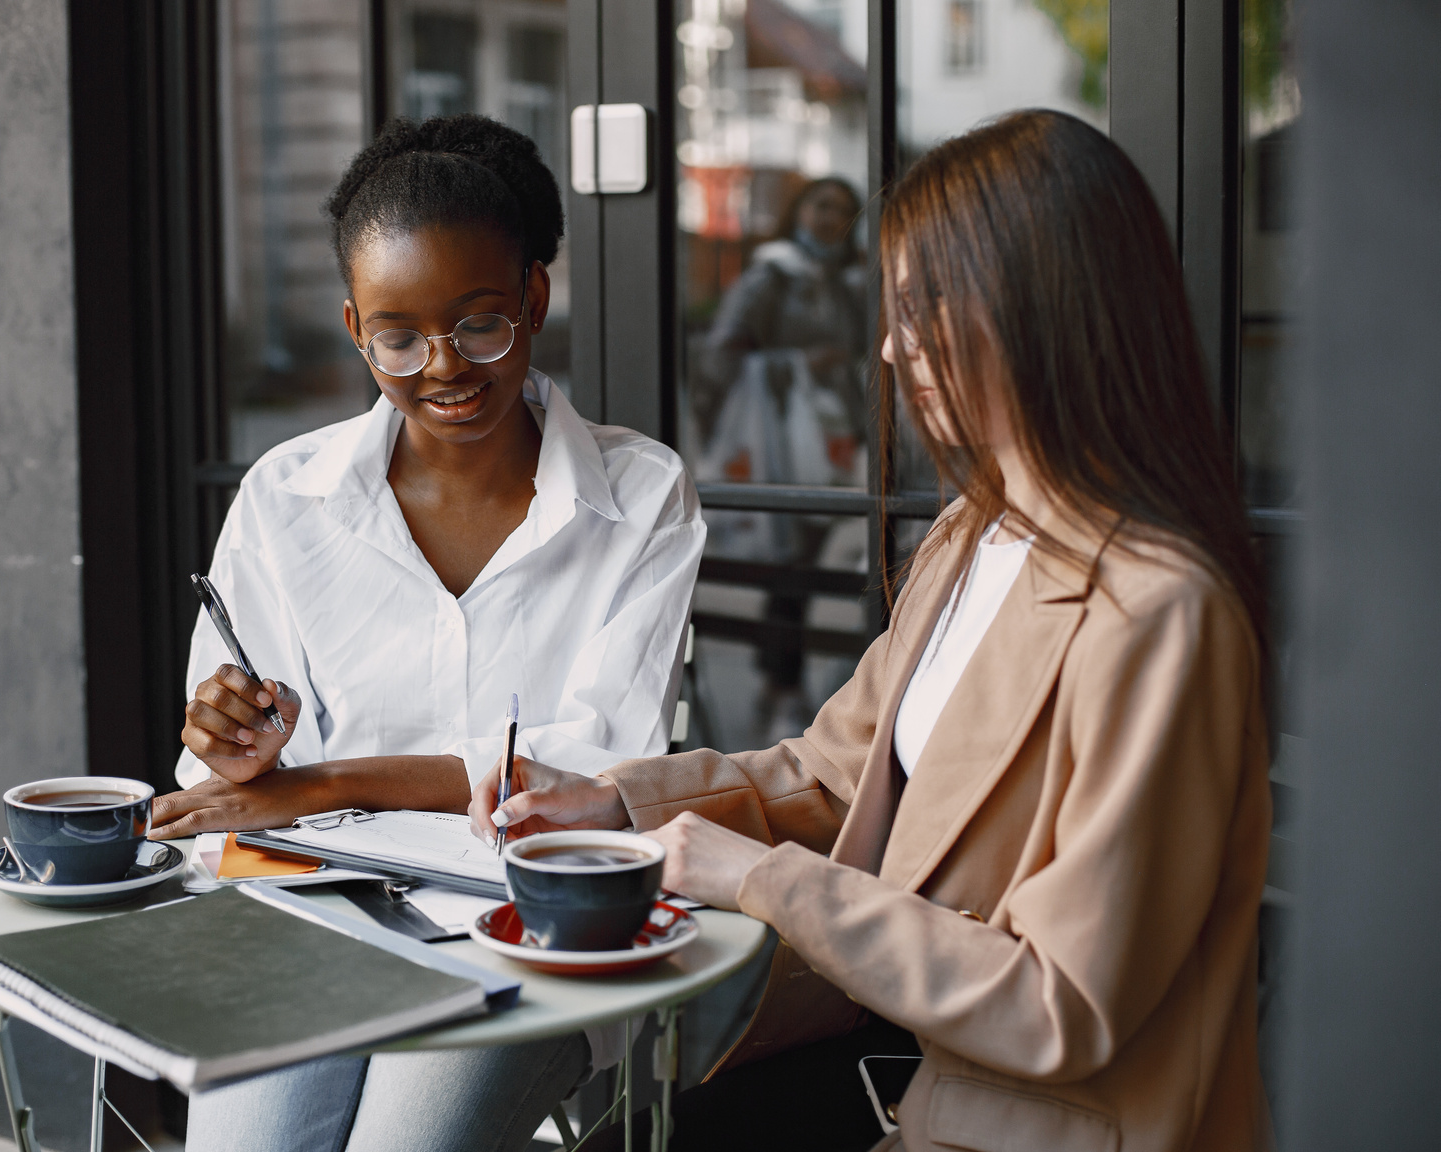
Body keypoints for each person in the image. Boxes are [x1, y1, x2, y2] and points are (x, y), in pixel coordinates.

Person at [475, 110, 1271, 1152]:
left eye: (924, 305)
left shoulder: (1162, 613)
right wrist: (616, 802)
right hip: (910, 1070)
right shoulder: (970, 536)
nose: (893, 345)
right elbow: (834, 771)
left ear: (1041, 309)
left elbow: (1060, 1002)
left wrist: (756, 877)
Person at [157, 114, 705, 1152]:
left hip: (528, 938)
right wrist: (235, 735)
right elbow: (234, 774)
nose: (442, 366)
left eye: (480, 323)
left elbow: (584, 776)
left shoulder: (642, 496)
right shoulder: (287, 498)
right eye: (398, 336)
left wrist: (323, 782)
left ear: (535, 299)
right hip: (313, 920)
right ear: (358, 327)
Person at [693, 177, 872, 742]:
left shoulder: (849, 282)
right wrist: (798, 363)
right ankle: (782, 688)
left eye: (843, 210)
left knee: (803, 567)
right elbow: (719, 353)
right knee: (789, 569)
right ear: (799, 209)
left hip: (831, 441)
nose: (830, 219)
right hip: (779, 445)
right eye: (822, 205)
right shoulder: (772, 275)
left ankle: (786, 686)